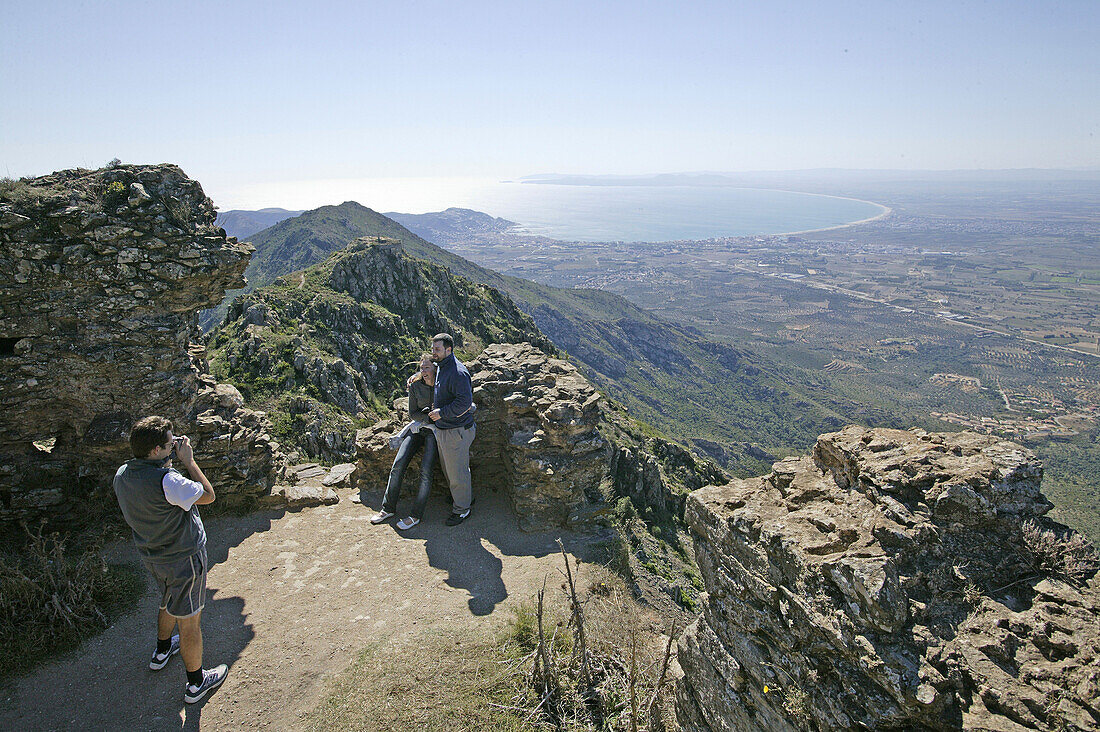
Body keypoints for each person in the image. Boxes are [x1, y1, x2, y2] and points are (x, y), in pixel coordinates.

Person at [113, 416, 228, 704]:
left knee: (167, 601)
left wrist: (167, 460)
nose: (174, 446)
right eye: (169, 444)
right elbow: (208, 496)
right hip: (184, 558)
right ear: (155, 450)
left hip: (153, 554)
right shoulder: (169, 481)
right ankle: (196, 683)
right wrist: (188, 461)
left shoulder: (123, 474)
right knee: (189, 621)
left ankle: (162, 651)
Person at [371, 355, 438, 530]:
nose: (424, 371)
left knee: (426, 471)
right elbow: (413, 414)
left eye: (427, 368)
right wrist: (429, 417)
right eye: (421, 368)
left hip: (436, 432)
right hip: (418, 428)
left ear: (435, 368)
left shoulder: (442, 384)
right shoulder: (415, 386)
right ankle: (388, 508)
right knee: (398, 464)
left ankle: (415, 515)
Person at [428, 333, 476, 526]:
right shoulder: (443, 366)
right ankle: (462, 498)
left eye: (437, 349)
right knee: (451, 470)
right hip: (447, 430)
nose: (434, 353)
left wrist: (442, 413)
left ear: (449, 350)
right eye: (433, 349)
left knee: (457, 472)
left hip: (456, 431)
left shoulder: (457, 372)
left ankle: (462, 509)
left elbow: (465, 402)